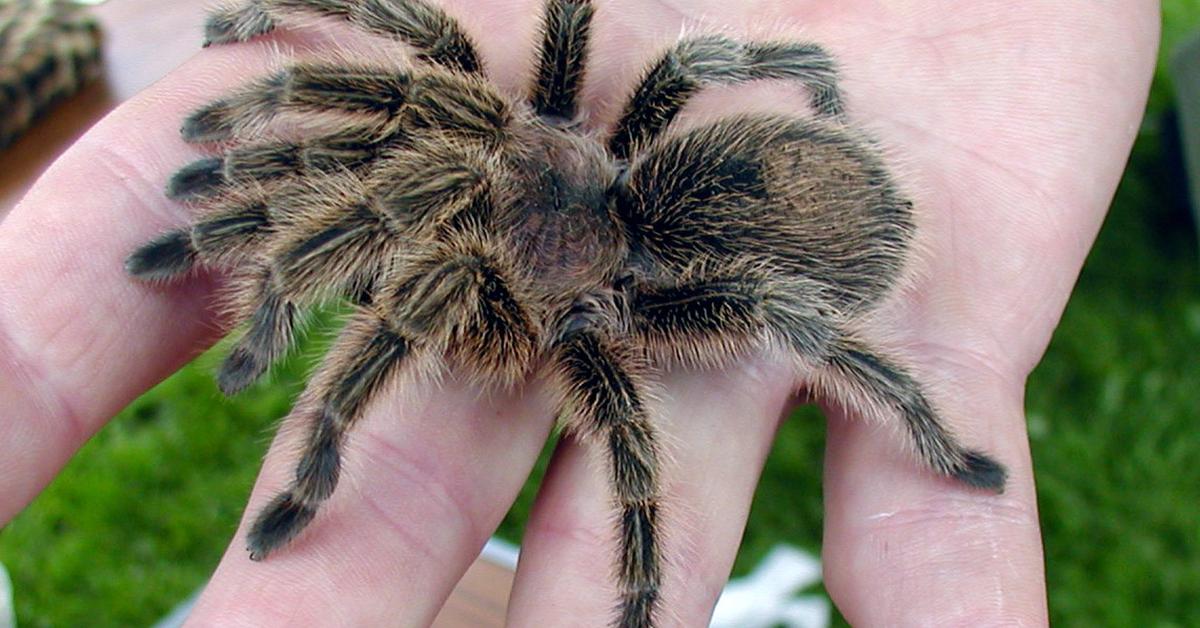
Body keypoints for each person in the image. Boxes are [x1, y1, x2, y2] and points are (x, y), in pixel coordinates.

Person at [0, 1, 1159, 624]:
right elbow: (420, 78)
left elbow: (436, 298)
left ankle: (320, 474)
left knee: (453, 286)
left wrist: (643, 585)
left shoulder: (538, 299)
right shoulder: (519, 125)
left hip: (697, 255)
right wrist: (286, 50)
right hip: (671, 184)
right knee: (425, 77)